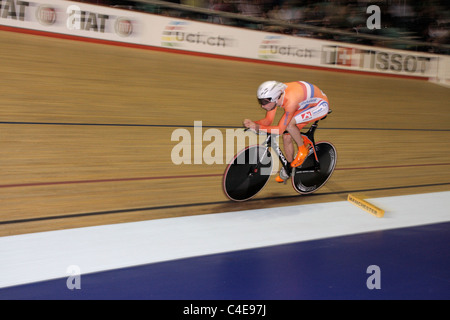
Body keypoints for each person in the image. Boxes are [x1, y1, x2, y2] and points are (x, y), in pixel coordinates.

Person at [243, 80, 330, 182]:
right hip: (305, 104)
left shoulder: (290, 101)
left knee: (289, 125)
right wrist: (253, 123)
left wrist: (257, 127)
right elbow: (268, 121)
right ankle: (289, 168)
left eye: (264, 102)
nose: (262, 106)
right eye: (260, 101)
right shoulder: (275, 97)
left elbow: (280, 130)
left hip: (320, 105)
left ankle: (302, 149)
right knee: (287, 136)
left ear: (274, 98)